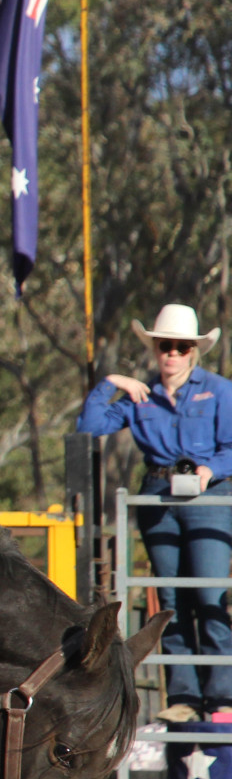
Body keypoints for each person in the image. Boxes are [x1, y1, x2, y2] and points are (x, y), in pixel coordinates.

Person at [78, 303, 232, 722]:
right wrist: (110, 382)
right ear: (155, 349)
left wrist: (209, 470)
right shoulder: (138, 394)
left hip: (209, 501)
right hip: (157, 500)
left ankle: (222, 699)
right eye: (166, 346)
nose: (173, 354)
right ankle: (183, 698)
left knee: (208, 593)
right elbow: (88, 427)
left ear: (195, 351)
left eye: (182, 347)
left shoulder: (219, 390)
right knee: (171, 599)